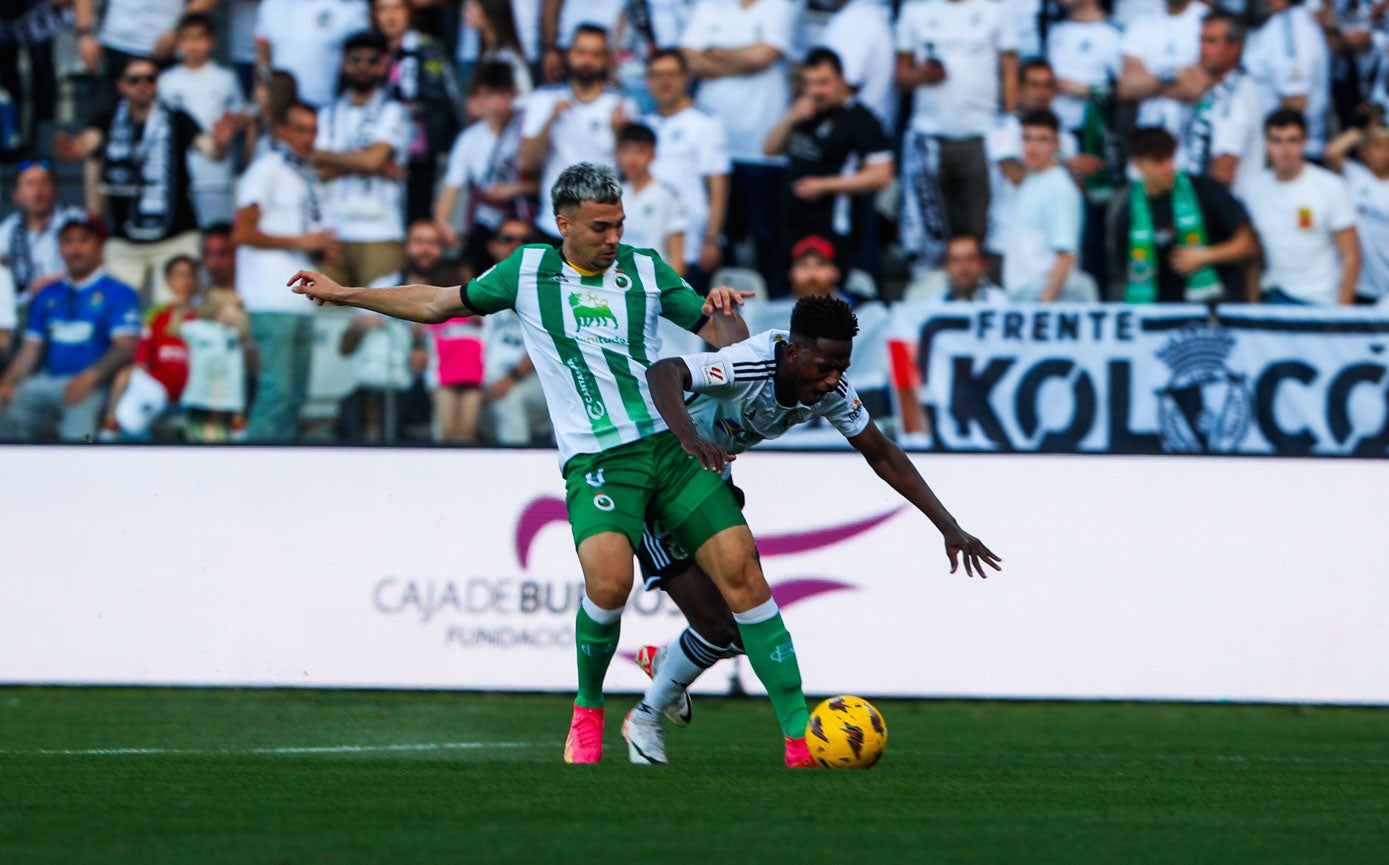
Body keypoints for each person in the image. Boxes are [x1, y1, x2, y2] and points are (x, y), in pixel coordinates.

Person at [287, 162, 822, 768]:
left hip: (670, 447)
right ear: (562, 223)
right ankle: (588, 714)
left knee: (746, 579)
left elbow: (727, 340)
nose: (612, 238)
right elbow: (439, 302)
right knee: (609, 584)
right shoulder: (527, 271)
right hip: (598, 458)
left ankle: (800, 740)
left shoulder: (645, 269)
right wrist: (345, 292)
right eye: (599, 227)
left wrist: (725, 311)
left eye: (618, 224)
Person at [622, 294, 1001, 763]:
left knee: (738, 626)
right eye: (824, 367)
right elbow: (664, 373)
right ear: (794, 353)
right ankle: (645, 716)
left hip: (709, 484)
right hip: (656, 479)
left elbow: (882, 453)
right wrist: (688, 435)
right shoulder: (750, 364)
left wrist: (950, 526)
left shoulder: (831, 391)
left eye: (841, 367)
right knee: (721, 627)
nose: (833, 379)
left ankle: (665, 676)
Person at [53, 56, 234, 306]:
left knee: (172, 312)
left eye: (150, 79)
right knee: (115, 311)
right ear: (121, 85)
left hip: (175, 237)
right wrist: (71, 149)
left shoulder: (177, 118)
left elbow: (210, 149)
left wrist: (221, 145)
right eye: (134, 79)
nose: (143, 85)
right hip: (124, 240)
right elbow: (86, 143)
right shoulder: (107, 121)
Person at [233, 100, 335, 442]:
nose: (309, 137)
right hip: (270, 295)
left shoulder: (306, 174)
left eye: (314, 130)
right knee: (277, 393)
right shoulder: (267, 169)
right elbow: (242, 231)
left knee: (295, 396)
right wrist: (303, 240)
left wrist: (320, 248)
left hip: (298, 298)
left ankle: (279, 476)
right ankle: (251, 470)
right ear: (282, 131)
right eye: (301, 129)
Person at [895, 0, 1019, 273]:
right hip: (928, 137)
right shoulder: (914, 10)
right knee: (932, 229)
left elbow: (1009, 69)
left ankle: (983, 291)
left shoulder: (995, 9)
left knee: (984, 225)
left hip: (981, 135)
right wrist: (921, 75)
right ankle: (933, 292)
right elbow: (901, 76)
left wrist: (1010, 124)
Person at [681, 0, 796, 293]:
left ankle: (774, 315)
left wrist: (715, 53)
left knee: (767, 241)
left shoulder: (779, 6)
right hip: (714, 147)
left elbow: (764, 56)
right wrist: (742, 55)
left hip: (762, 147)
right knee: (720, 240)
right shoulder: (709, 5)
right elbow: (688, 59)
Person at [0, 216, 140, 442]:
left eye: (83, 241)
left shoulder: (119, 293)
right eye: (67, 241)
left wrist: (89, 378)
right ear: (60, 248)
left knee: (79, 436)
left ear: (98, 245)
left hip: (96, 384)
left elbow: (124, 348)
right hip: (48, 382)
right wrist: (7, 382)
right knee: (12, 410)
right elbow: (30, 349)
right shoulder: (48, 294)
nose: (75, 249)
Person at [763, 48, 893, 280]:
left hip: (833, 227)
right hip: (792, 224)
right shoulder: (806, 111)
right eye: (808, 83)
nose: (814, 91)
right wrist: (791, 118)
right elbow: (769, 149)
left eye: (822, 83)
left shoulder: (861, 119)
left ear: (842, 80)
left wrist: (824, 186)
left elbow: (881, 175)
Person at [313, 29, 412, 289]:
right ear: (344, 63)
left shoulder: (393, 111)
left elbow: (372, 162)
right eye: (355, 60)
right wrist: (369, 163)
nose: (363, 67)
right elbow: (318, 169)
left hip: (381, 231)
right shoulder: (327, 114)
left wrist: (332, 158)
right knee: (328, 318)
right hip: (333, 230)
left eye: (371, 61)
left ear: (382, 66)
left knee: (379, 317)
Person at [520, 24, 636, 243]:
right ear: (569, 55)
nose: (587, 60)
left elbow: (633, 171)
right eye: (581, 52)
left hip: (603, 226)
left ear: (606, 59)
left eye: (595, 54)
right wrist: (550, 120)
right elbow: (527, 162)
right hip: (554, 221)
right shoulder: (543, 99)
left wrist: (619, 132)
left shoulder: (621, 104)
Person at [1115, 126, 1258, 304]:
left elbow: (1249, 244)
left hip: (1217, 307)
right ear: (1138, 164)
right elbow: (1126, 270)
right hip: (1163, 315)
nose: (1168, 167)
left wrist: (1206, 256)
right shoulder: (1128, 212)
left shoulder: (1206, 191)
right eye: (1158, 160)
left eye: (1170, 157)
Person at [1244, 109, 1360, 305]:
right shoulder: (1251, 190)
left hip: (1322, 300)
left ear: (1305, 143)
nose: (1285, 149)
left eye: (1293, 140)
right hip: (1274, 296)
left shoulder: (1331, 186)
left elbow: (1351, 256)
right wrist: (1253, 306)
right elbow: (1253, 256)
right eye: (1277, 140)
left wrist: (1342, 313)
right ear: (1266, 143)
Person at [640, 48, 730, 293]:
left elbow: (718, 184)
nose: (664, 81)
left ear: (685, 78)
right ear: (647, 81)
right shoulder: (644, 124)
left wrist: (712, 239)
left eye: (671, 74)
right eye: (656, 75)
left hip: (691, 241)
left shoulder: (705, 122)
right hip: (649, 239)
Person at [434, 60, 536, 276]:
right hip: (486, 226)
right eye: (491, 95)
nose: (498, 103)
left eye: (504, 95)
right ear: (480, 97)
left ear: (515, 95)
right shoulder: (469, 138)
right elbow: (453, 185)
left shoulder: (527, 129)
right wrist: (442, 221)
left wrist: (514, 189)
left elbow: (545, 183)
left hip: (524, 218)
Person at [373, 0, 468, 223]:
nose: (390, 16)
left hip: (419, 151)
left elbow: (446, 97)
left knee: (418, 213)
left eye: (397, 8)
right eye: (383, 9)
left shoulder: (426, 46)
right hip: (376, 148)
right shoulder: (368, 48)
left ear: (410, 12)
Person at [156, 13, 248, 229]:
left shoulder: (225, 78)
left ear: (212, 41)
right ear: (178, 42)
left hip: (216, 171)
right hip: (177, 174)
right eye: (187, 38)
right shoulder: (166, 81)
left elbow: (238, 109)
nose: (194, 45)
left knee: (217, 235)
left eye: (200, 38)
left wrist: (234, 121)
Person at [101, 254, 200, 439]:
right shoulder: (156, 314)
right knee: (124, 379)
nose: (184, 281)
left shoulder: (203, 314)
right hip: (157, 381)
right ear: (169, 281)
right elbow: (144, 352)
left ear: (197, 280)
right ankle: (110, 429)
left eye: (189, 275)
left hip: (191, 379)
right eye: (179, 275)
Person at [477, 217, 552, 446]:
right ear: (493, 246)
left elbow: (547, 343)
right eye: (508, 239)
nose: (516, 246)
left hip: (533, 384)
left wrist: (512, 378)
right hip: (481, 383)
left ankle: (517, 475)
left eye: (525, 240)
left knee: (509, 397)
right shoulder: (475, 285)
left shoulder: (547, 288)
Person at [1179, 11, 1266, 201]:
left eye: (1211, 41)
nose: (1202, 48)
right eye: (1201, 40)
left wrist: (1204, 211)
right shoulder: (1217, 88)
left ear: (1235, 48)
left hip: (1224, 209)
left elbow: (1224, 168)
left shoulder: (1237, 94)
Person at [1001, 109, 1084, 302]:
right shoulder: (1031, 180)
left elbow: (1066, 255)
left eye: (1042, 140)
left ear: (1057, 144)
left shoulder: (1059, 187)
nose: (1033, 147)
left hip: (1047, 298)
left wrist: (1043, 308)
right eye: (1027, 138)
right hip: (1024, 294)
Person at [1245, 0, 1331, 160]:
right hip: (1276, 150)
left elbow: (1296, 101)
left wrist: (1279, 153)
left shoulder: (1291, 27)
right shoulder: (1276, 21)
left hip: (1292, 156)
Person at [1320, 114, 1389, 303]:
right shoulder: (1354, 174)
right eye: (1377, 145)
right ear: (1363, 151)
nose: (1384, 152)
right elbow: (1331, 152)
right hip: (1355, 282)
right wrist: (1361, 130)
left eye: (1388, 146)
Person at [254, 0, 371, 109]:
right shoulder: (271, 4)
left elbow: (363, 57)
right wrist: (264, 83)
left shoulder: (351, 7)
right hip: (281, 109)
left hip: (328, 109)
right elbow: (263, 55)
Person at [1115, 0, 1207, 138]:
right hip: (1148, 132)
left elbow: (1195, 88)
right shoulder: (1142, 21)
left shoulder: (1207, 20)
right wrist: (1175, 75)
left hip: (1192, 133)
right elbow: (1126, 89)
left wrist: (1147, 84)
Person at [0, 160, 85, 306]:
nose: (38, 192)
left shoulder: (77, 220)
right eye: (30, 184)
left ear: (56, 189)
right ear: (16, 195)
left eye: (44, 182)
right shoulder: (9, 228)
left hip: (73, 303)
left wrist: (54, 282)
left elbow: (95, 265)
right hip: (24, 311)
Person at [617, 122, 688, 275]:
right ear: (617, 152)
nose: (633, 158)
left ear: (653, 155)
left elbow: (677, 256)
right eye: (627, 150)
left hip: (654, 283)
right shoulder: (613, 194)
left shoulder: (667, 195)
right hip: (618, 282)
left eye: (641, 151)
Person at [1047, 0, 1123, 138]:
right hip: (1052, 126)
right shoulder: (1054, 31)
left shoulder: (1114, 34)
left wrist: (1089, 90)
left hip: (1091, 131)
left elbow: (1125, 91)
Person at [819, 0, 896, 135]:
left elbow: (841, 87)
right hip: (866, 135)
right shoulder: (868, 14)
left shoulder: (857, 23)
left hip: (849, 142)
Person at [786, 235, 849, 302]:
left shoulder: (856, 309)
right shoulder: (775, 308)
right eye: (803, 265)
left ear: (835, 272)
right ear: (792, 273)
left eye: (820, 265)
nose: (812, 273)